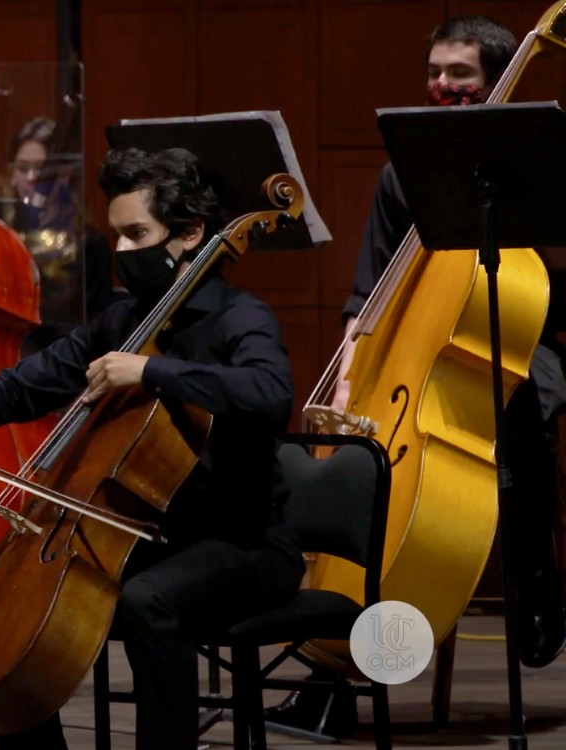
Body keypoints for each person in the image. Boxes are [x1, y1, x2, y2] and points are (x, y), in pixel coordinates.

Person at [0, 146, 307, 750]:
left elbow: (269, 394)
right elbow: (34, 379)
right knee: (21, 606)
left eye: (137, 233)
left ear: (191, 234)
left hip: (243, 540)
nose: (121, 251)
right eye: (116, 235)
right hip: (147, 534)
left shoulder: (241, 317)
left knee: (146, 601)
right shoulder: (124, 321)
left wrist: (151, 372)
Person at [268, 14, 566, 735]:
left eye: (458, 74)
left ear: (493, 81)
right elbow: (367, 291)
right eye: (434, 72)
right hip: (417, 345)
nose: (440, 86)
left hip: (527, 339)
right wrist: (348, 370)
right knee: (362, 469)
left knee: (515, 414)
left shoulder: (537, 162)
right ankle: (337, 660)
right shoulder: (401, 172)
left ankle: (535, 573)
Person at [0, 116, 126, 352]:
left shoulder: (90, 243)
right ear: (12, 174)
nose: (31, 178)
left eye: (42, 169)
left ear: (63, 175)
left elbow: (95, 326)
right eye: (23, 168)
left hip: (63, 357)